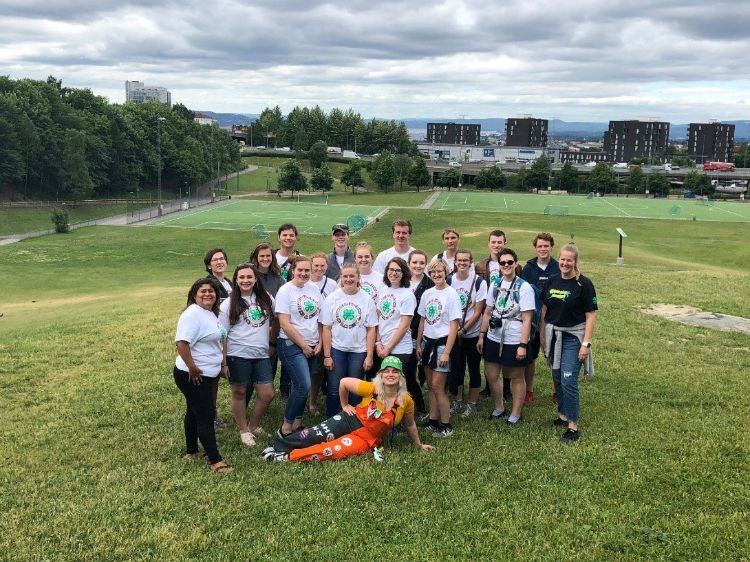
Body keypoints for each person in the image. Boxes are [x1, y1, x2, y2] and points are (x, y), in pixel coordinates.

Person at [261, 356, 434, 462]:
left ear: (401, 376)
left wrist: (419, 444)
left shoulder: (406, 400)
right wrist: (345, 405)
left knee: (330, 451)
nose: (390, 375)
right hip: (351, 419)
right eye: (386, 371)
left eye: (395, 372)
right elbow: (343, 382)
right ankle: (279, 445)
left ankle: (284, 457)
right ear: (380, 375)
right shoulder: (371, 388)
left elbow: (410, 424)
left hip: (368, 439)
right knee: (314, 433)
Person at [173, 277, 232, 474]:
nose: (208, 294)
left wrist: (222, 364)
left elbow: (217, 340)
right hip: (193, 375)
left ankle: (192, 451)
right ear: (194, 295)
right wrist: (192, 367)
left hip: (206, 373)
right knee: (206, 415)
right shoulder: (192, 314)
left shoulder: (209, 313)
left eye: (211, 291)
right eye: (203, 291)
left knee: (193, 411)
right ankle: (216, 461)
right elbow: (182, 342)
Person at [540, 244, 597, 444]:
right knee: (556, 376)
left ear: (575, 262)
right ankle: (563, 414)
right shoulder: (551, 281)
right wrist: (543, 339)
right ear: (559, 259)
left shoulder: (583, 284)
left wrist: (586, 344)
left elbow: (590, 316)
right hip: (554, 336)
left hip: (574, 337)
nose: (565, 263)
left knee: (568, 379)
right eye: (562, 259)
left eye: (569, 260)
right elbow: (545, 312)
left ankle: (573, 426)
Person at [219, 263, 277, 447]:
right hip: (238, 354)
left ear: (255, 279)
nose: (245, 280)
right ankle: (243, 430)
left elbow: (277, 320)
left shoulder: (266, 298)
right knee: (240, 392)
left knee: (267, 394)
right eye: (241, 277)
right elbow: (223, 334)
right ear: (236, 280)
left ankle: (252, 426)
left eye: (249, 277)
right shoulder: (229, 303)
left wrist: (272, 342)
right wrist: (224, 362)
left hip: (261, 354)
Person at [477, 248, 535, 427]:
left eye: (510, 262)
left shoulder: (524, 287)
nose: (507, 265)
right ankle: (499, 407)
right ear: (499, 265)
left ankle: (515, 413)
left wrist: (523, 345)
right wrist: (481, 336)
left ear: (516, 263)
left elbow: (527, 319)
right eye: (503, 263)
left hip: (514, 337)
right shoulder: (495, 284)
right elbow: (487, 312)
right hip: (494, 336)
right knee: (491, 374)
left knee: (516, 375)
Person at [321, 264, 377, 417]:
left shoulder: (366, 299)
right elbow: (326, 328)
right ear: (341, 278)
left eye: (352, 276)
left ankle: (354, 420)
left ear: (358, 278)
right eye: (345, 276)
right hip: (337, 349)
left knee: (355, 387)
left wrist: (369, 355)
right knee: (334, 386)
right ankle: (332, 418)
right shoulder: (333, 298)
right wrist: (327, 355)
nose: (348, 279)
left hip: (358, 350)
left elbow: (371, 328)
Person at [274, 255, 322, 436]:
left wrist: (319, 343)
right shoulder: (285, 291)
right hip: (291, 344)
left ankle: (297, 423)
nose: (303, 273)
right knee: (303, 384)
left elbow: (320, 318)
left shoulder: (314, 289)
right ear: (293, 270)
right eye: (300, 270)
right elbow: (284, 323)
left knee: (299, 386)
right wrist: (303, 345)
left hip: (312, 345)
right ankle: (286, 426)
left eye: (307, 270)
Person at [416, 259, 462, 437]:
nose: (436, 275)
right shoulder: (428, 293)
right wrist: (419, 343)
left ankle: (446, 424)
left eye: (440, 272)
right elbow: (422, 320)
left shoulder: (451, 294)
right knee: (430, 386)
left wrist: (447, 352)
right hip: (428, 342)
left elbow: (453, 325)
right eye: (433, 272)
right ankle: (433, 420)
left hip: (442, 343)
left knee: (438, 386)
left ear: (446, 273)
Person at [520, 232, 561, 405]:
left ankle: (557, 390)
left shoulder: (558, 266)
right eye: (540, 246)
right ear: (535, 247)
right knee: (530, 357)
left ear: (551, 247)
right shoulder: (528, 268)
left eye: (546, 246)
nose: (543, 249)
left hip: (554, 318)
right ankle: (528, 389)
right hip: (533, 319)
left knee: (554, 355)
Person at [447, 249, 487, 418]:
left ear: (471, 262)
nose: (462, 263)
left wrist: (464, 330)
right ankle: (457, 399)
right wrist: (455, 331)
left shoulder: (478, 282)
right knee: (456, 368)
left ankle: (472, 403)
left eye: (465, 261)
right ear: (455, 262)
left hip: (471, 333)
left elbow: (478, 311)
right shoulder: (450, 280)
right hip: (454, 333)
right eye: (459, 260)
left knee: (473, 368)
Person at [475, 230, 509, 399]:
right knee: (489, 352)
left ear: (505, 243)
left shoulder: (513, 265)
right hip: (487, 313)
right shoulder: (480, 266)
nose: (497, 245)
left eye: (500, 242)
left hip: (506, 314)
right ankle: (489, 386)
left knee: (507, 350)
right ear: (489, 243)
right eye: (494, 242)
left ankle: (507, 388)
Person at [203, 248, 232, 430]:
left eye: (222, 259)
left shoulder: (228, 282)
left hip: (225, 333)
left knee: (218, 375)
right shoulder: (209, 284)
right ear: (209, 265)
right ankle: (210, 416)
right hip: (214, 334)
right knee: (212, 378)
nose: (219, 262)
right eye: (215, 260)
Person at [307, 252, 339, 414]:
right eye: (316, 266)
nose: (319, 269)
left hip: (326, 332)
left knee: (318, 370)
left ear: (327, 267)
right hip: (307, 332)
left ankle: (313, 401)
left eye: (322, 266)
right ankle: (299, 399)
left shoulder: (332, 284)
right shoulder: (303, 281)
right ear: (310, 266)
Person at [375, 257, 416, 375]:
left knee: (397, 386)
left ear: (404, 273)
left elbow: (404, 326)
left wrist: (388, 348)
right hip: (381, 347)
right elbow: (378, 318)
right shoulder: (383, 290)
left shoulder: (407, 295)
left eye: (398, 270)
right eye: (391, 269)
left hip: (399, 349)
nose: (393, 273)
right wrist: (378, 343)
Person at [404, 250, 433, 416]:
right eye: (414, 262)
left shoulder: (429, 285)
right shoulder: (403, 282)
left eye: (421, 263)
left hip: (418, 335)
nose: (418, 266)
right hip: (400, 335)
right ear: (409, 263)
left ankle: (419, 407)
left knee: (410, 372)